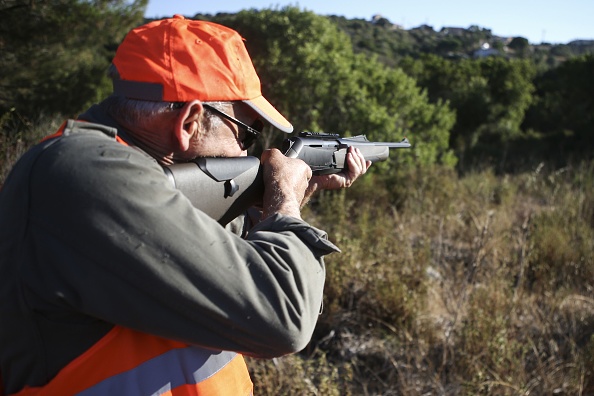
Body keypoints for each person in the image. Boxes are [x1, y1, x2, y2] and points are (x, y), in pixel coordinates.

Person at [0, 15, 370, 396]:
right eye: (246, 132)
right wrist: (284, 196)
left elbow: (237, 293)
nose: (247, 151)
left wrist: (293, 196)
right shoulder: (89, 173)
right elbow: (282, 318)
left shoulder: (141, 177)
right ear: (190, 122)